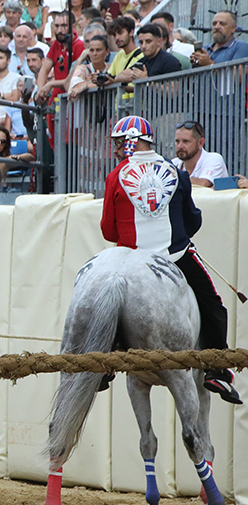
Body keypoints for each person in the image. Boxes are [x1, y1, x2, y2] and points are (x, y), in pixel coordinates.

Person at [100, 116, 240, 405]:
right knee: (213, 304)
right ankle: (217, 369)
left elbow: (107, 231)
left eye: (117, 143)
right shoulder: (176, 172)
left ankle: (103, 364)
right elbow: (193, 220)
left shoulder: (116, 176)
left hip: (133, 258)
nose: (114, 149)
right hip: (175, 256)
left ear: (132, 142)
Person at [171, 120, 228, 187]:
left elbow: (204, 183)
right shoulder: (173, 163)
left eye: (185, 141)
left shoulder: (214, 159)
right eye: (177, 141)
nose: (180, 146)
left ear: (201, 143)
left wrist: (172, 180)